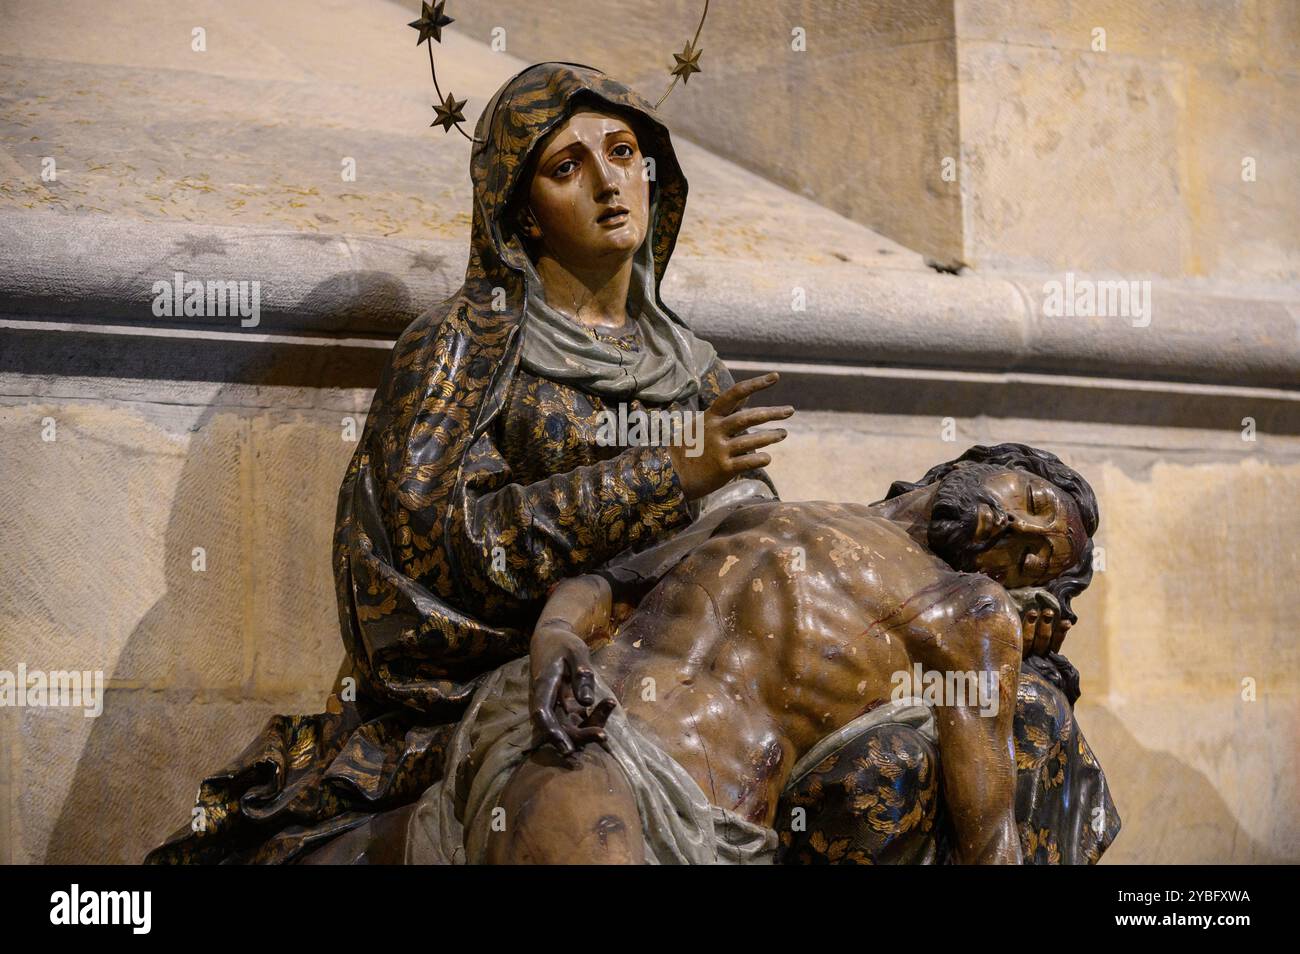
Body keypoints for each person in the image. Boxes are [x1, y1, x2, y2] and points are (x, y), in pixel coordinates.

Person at [146, 62, 788, 864]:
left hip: (671, 671)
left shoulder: (692, 365)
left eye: (625, 153)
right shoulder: (462, 348)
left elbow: (740, 557)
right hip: (501, 684)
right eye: (567, 167)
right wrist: (663, 478)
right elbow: (435, 556)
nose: (609, 182)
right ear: (520, 212)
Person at [402, 443, 1113, 864]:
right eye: (1033, 503)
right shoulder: (761, 509)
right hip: (566, 722)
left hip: (691, 798)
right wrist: (556, 635)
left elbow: (989, 838)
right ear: (986, 460)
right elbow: (603, 585)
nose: (1013, 526)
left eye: (1028, 558)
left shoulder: (966, 612)